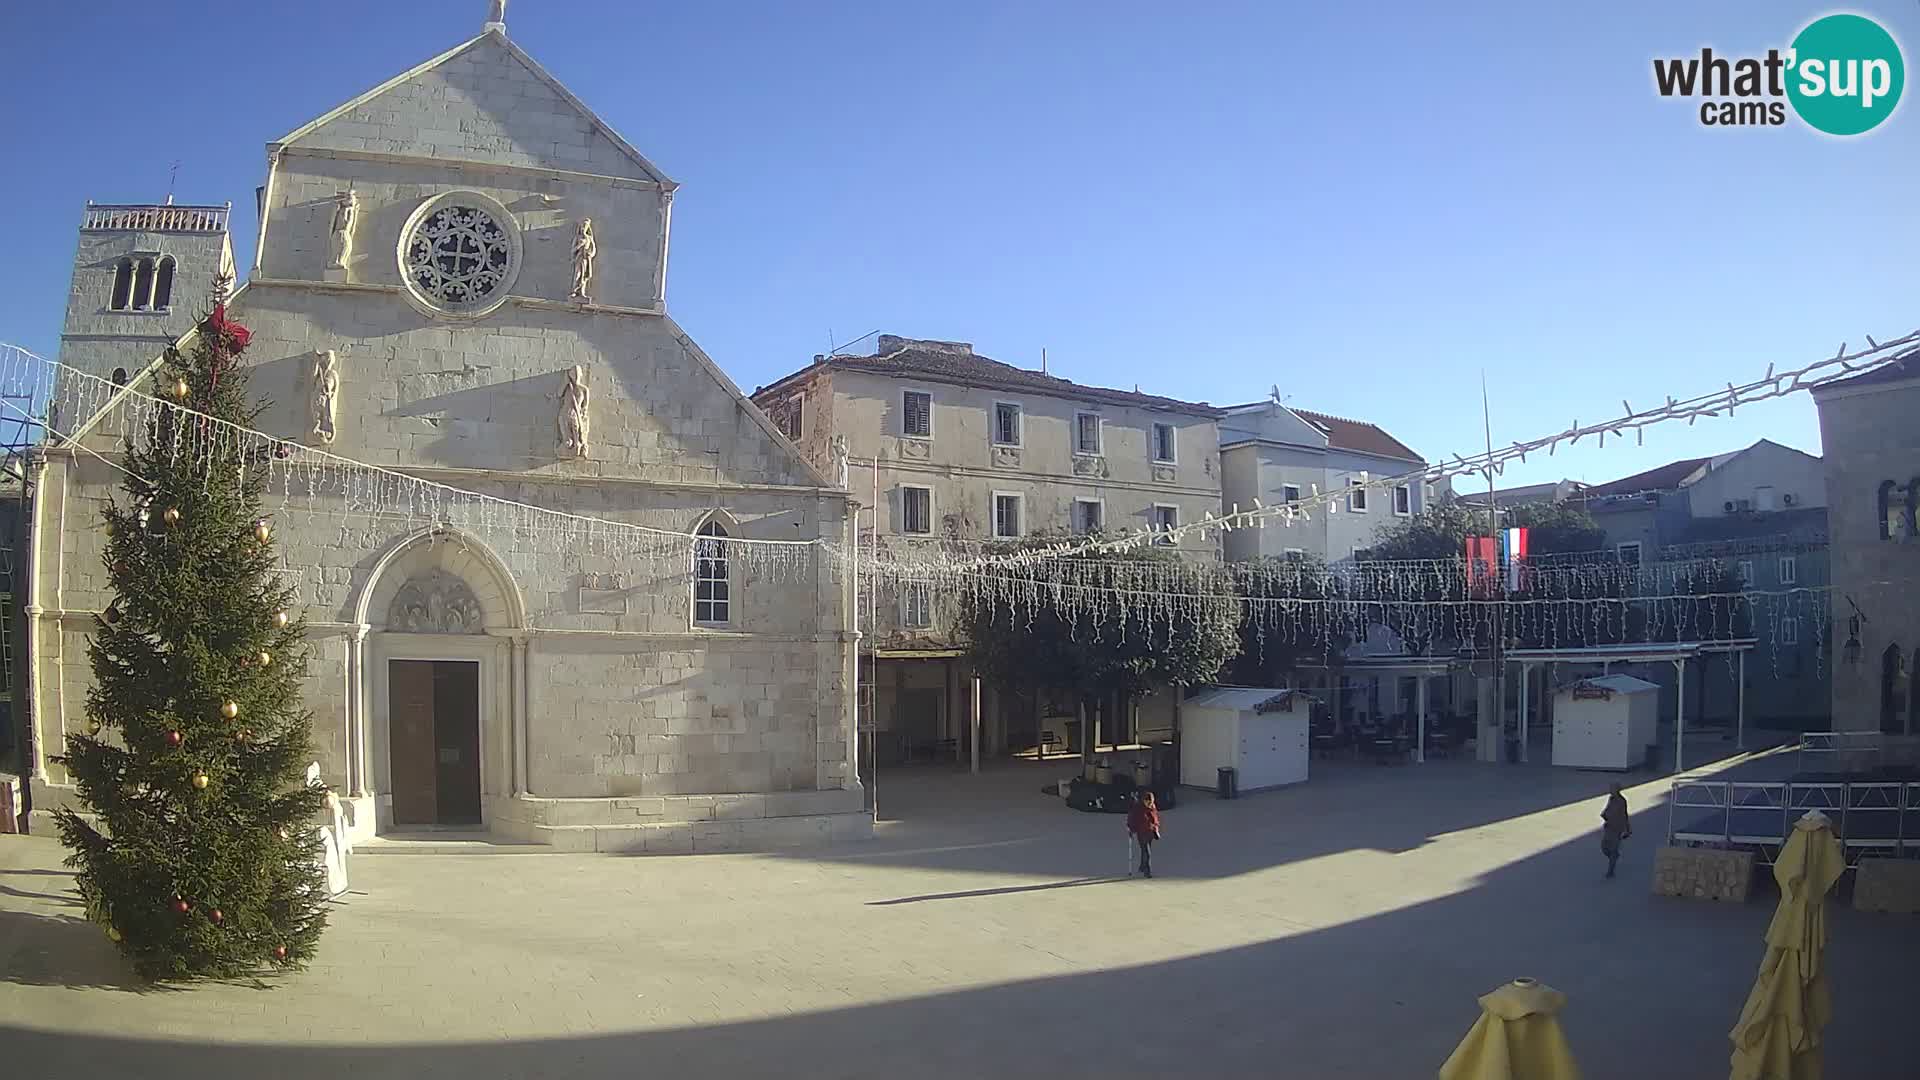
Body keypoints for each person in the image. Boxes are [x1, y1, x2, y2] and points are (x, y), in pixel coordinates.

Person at [1127, 790, 1162, 878]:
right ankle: (1147, 871)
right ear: (1144, 801)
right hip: (1141, 833)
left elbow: (1155, 819)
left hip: (1150, 832)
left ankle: (1142, 866)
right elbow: (1131, 820)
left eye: (1152, 802)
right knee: (1147, 852)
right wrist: (1131, 829)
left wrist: (1156, 828)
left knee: (1145, 850)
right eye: (1148, 802)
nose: (1150, 804)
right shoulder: (1137, 809)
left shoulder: (1152, 807)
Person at [1600, 783, 1632, 879]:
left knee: (1613, 849)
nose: (1610, 791)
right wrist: (1604, 814)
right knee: (1604, 847)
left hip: (1617, 828)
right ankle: (1614, 857)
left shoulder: (1622, 801)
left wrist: (1627, 829)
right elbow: (1608, 808)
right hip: (1608, 826)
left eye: (1612, 789)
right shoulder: (1611, 799)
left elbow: (1625, 815)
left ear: (1617, 790)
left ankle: (1610, 871)